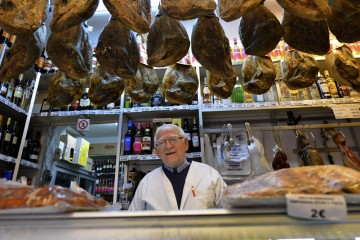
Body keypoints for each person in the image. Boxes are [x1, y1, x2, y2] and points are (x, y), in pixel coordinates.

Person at [128, 124, 227, 211]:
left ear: (186, 144)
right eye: (161, 142)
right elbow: (132, 224)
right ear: (157, 152)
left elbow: (230, 213)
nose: (168, 146)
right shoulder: (146, 183)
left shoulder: (210, 175)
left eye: (173, 139)